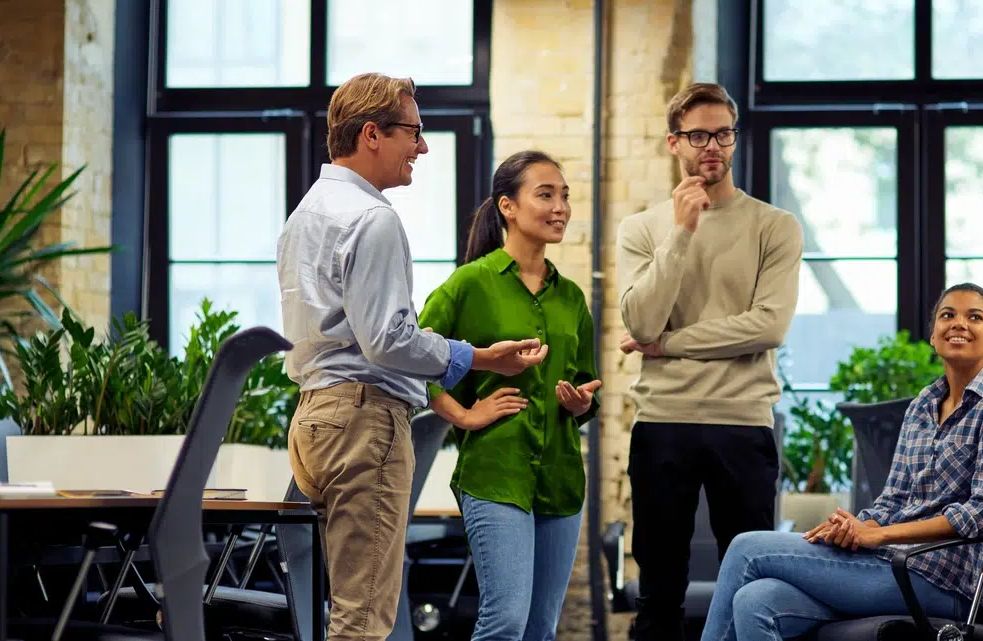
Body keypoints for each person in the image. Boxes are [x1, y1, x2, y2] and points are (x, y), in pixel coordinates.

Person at [276, 72, 547, 641]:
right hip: (363, 421)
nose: (421, 147)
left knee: (346, 607)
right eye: (413, 133)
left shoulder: (305, 214)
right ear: (371, 134)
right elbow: (388, 340)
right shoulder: (372, 219)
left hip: (314, 418)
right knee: (364, 615)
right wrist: (475, 357)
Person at [699, 283, 983, 641]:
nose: (959, 324)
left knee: (746, 548)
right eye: (947, 315)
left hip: (941, 579)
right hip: (887, 564)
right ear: (934, 337)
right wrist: (855, 527)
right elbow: (892, 501)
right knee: (755, 600)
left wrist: (877, 535)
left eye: (975, 317)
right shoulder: (924, 404)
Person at [615, 82, 803, 641]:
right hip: (663, 422)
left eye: (723, 134)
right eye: (698, 135)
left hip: (742, 422)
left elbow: (768, 326)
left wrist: (671, 344)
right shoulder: (643, 229)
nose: (712, 147)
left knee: (748, 586)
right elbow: (642, 323)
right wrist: (681, 232)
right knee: (658, 593)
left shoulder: (775, 226)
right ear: (675, 143)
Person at [417, 150, 602, 641]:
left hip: (561, 480)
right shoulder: (469, 284)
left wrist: (580, 403)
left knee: (541, 629)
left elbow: (585, 380)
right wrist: (465, 414)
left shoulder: (571, 298)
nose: (560, 206)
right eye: (545, 194)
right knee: (505, 623)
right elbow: (415, 360)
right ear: (508, 207)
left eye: (564, 195)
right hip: (496, 474)